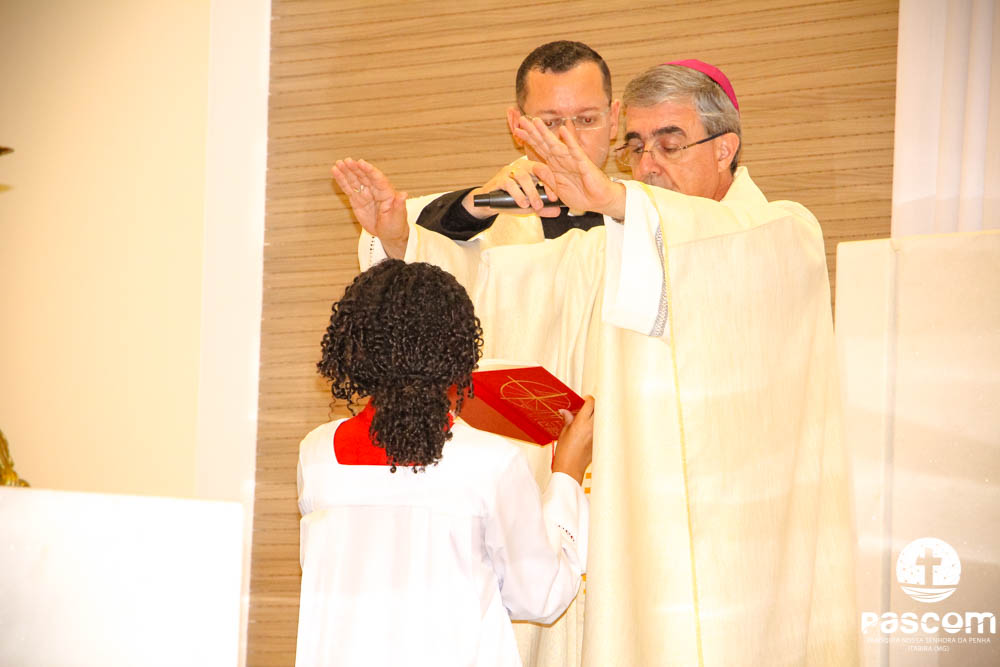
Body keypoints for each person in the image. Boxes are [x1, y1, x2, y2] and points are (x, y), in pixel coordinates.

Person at [511, 62, 858, 666]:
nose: (648, 165)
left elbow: (717, 245)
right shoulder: (615, 240)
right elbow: (509, 285)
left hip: (738, 538)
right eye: (636, 147)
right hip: (632, 524)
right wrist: (409, 240)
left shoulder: (783, 230)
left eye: (669, 145)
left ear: (725, 149)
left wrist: (614, 199)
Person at [295, 259, 595, 667]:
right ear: (457, 352)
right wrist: (568, 476)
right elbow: (540, 595)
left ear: (357, 345)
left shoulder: (316, 456)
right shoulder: (490, 463)